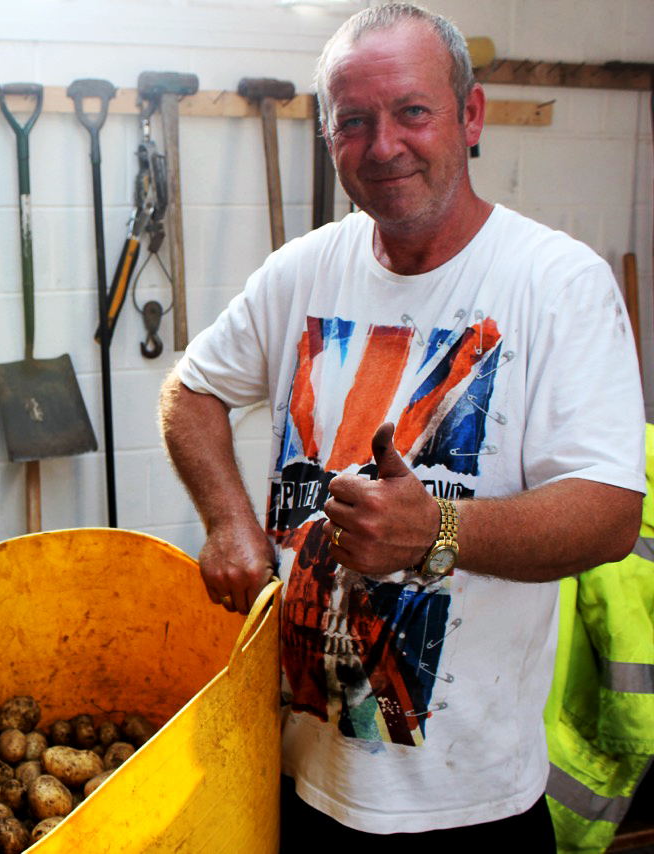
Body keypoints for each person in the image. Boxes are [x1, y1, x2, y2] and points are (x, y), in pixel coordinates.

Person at [159, 2, 644, 846]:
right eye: (354, 122)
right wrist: (230, 523)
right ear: (328, 135)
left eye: (412, 111)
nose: (383, 146)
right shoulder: (301, 272)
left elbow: (608, 514)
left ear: (471, 115)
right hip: (297, 781)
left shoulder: (557, 283)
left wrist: (436, 528)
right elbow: (190, 392)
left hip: (470, 808)